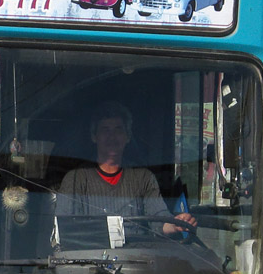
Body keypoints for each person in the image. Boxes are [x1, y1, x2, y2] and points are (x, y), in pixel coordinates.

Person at [58, 101, 196, 235]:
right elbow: (66, 229)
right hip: (91, 256)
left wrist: (175, 224)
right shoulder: (76, 178)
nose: (112, 137)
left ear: (128, 137)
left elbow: (158, 219)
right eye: (105, 130)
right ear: (94, 137)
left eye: (118, 130)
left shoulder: (143, 177)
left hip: (138, 255)